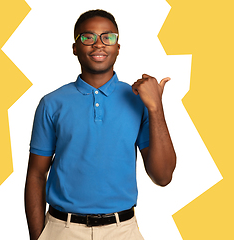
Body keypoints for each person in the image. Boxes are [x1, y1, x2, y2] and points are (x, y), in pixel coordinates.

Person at [24, 9, 176, 240]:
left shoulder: (139, 100)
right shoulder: (51, 103)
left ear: (118, 47)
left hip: (123, 230)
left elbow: (163, 177)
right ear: (75, 48)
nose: (99, 44)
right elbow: (36, 174)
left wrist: (156, 108)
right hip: (61, 230)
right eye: (88, 37)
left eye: (108, 37)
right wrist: (38, 237)